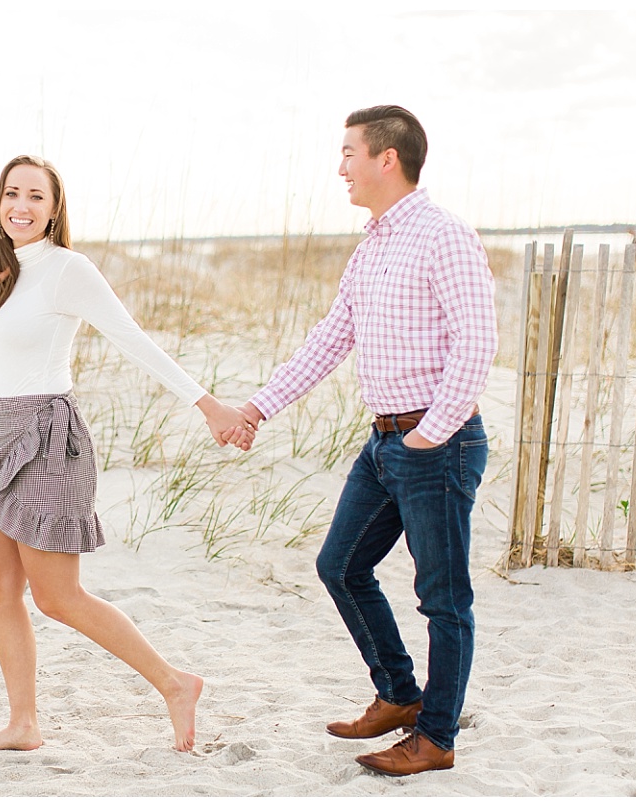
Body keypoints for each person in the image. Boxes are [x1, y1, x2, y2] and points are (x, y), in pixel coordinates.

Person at [0, 155, 254, 753]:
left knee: (58, 597)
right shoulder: (2, 272)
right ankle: (24, 723)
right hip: (2, 435)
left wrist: (209, 406)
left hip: (47, 439)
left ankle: (175, 685)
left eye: (36, 196)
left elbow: (132, 339)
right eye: (12, 194)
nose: (21, 206)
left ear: (55, 208)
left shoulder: (68, 269)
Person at [229, 106, 497, 776]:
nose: (339, 166)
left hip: (436, 442)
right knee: (340, 566)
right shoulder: (373, 243)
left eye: (349, 152)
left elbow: (477, 342)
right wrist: (258, 407)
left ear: (387, 158)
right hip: (384, 443)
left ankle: (435, 737)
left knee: (443, 597)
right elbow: (330, 338)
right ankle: (400, 693)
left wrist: (430, 435)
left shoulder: (444, 236)